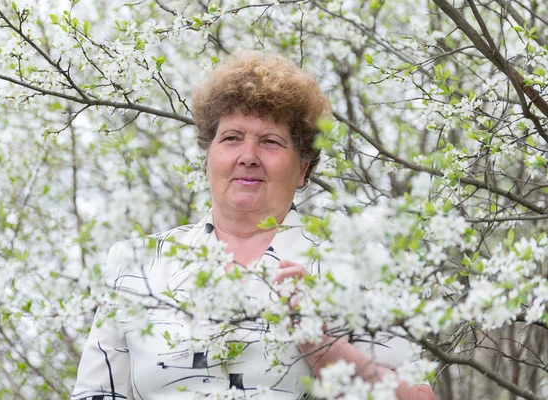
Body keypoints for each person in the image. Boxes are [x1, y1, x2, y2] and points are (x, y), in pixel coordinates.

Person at [71, 51, 436, 400]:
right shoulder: (137, 264)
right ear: (208, 157)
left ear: (303, 168)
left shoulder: (358, 264)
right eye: (231, 138)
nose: (248, 157)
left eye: (270, 142)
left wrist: (319, 341)